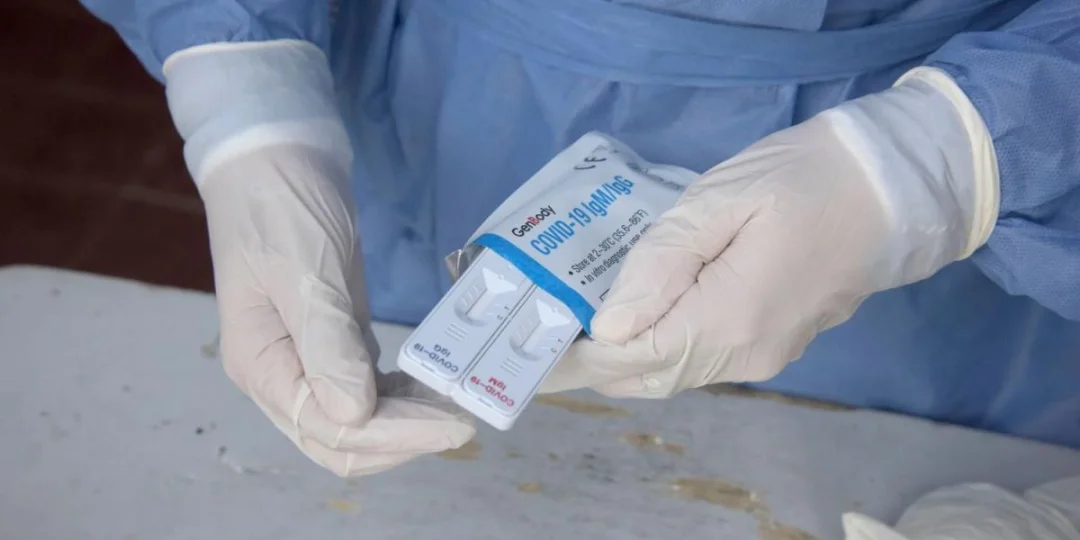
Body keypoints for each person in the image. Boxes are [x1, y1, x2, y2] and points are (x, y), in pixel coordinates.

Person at [79, 0, 1080, 477]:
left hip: (949, 167)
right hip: (451, 104)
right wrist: (242, 87)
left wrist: (948, 155)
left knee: (892, 480)